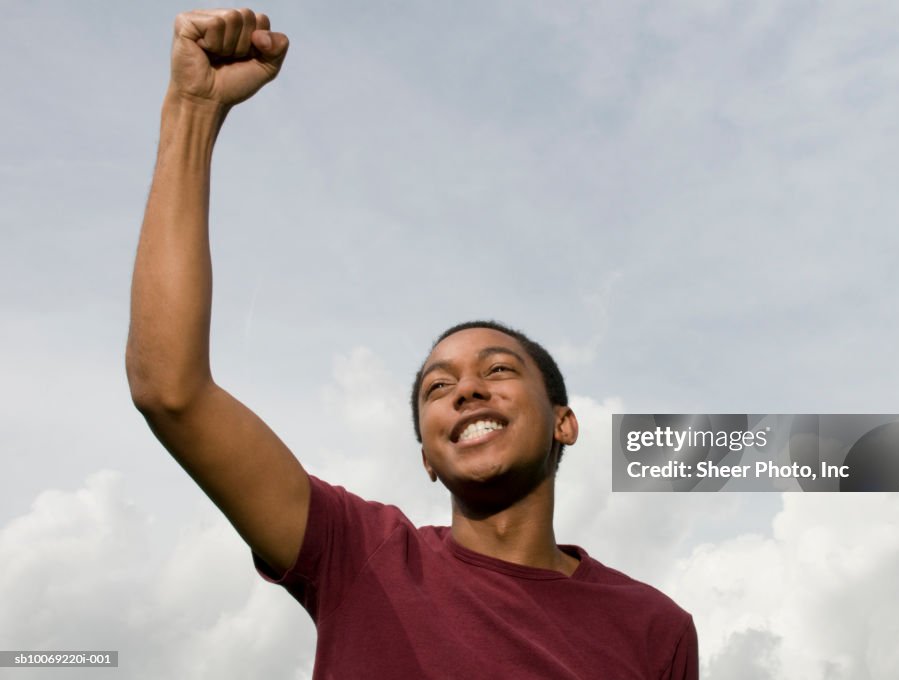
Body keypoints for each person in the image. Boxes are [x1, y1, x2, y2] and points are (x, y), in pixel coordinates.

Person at [127, 8, 698, 679]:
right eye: (437, 387)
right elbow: (171, 391)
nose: (466, 389)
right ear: (428, 454)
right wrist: (192, 110)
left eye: (499, 368)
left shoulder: (655, 628)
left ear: (564, 422)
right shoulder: (359, 553)